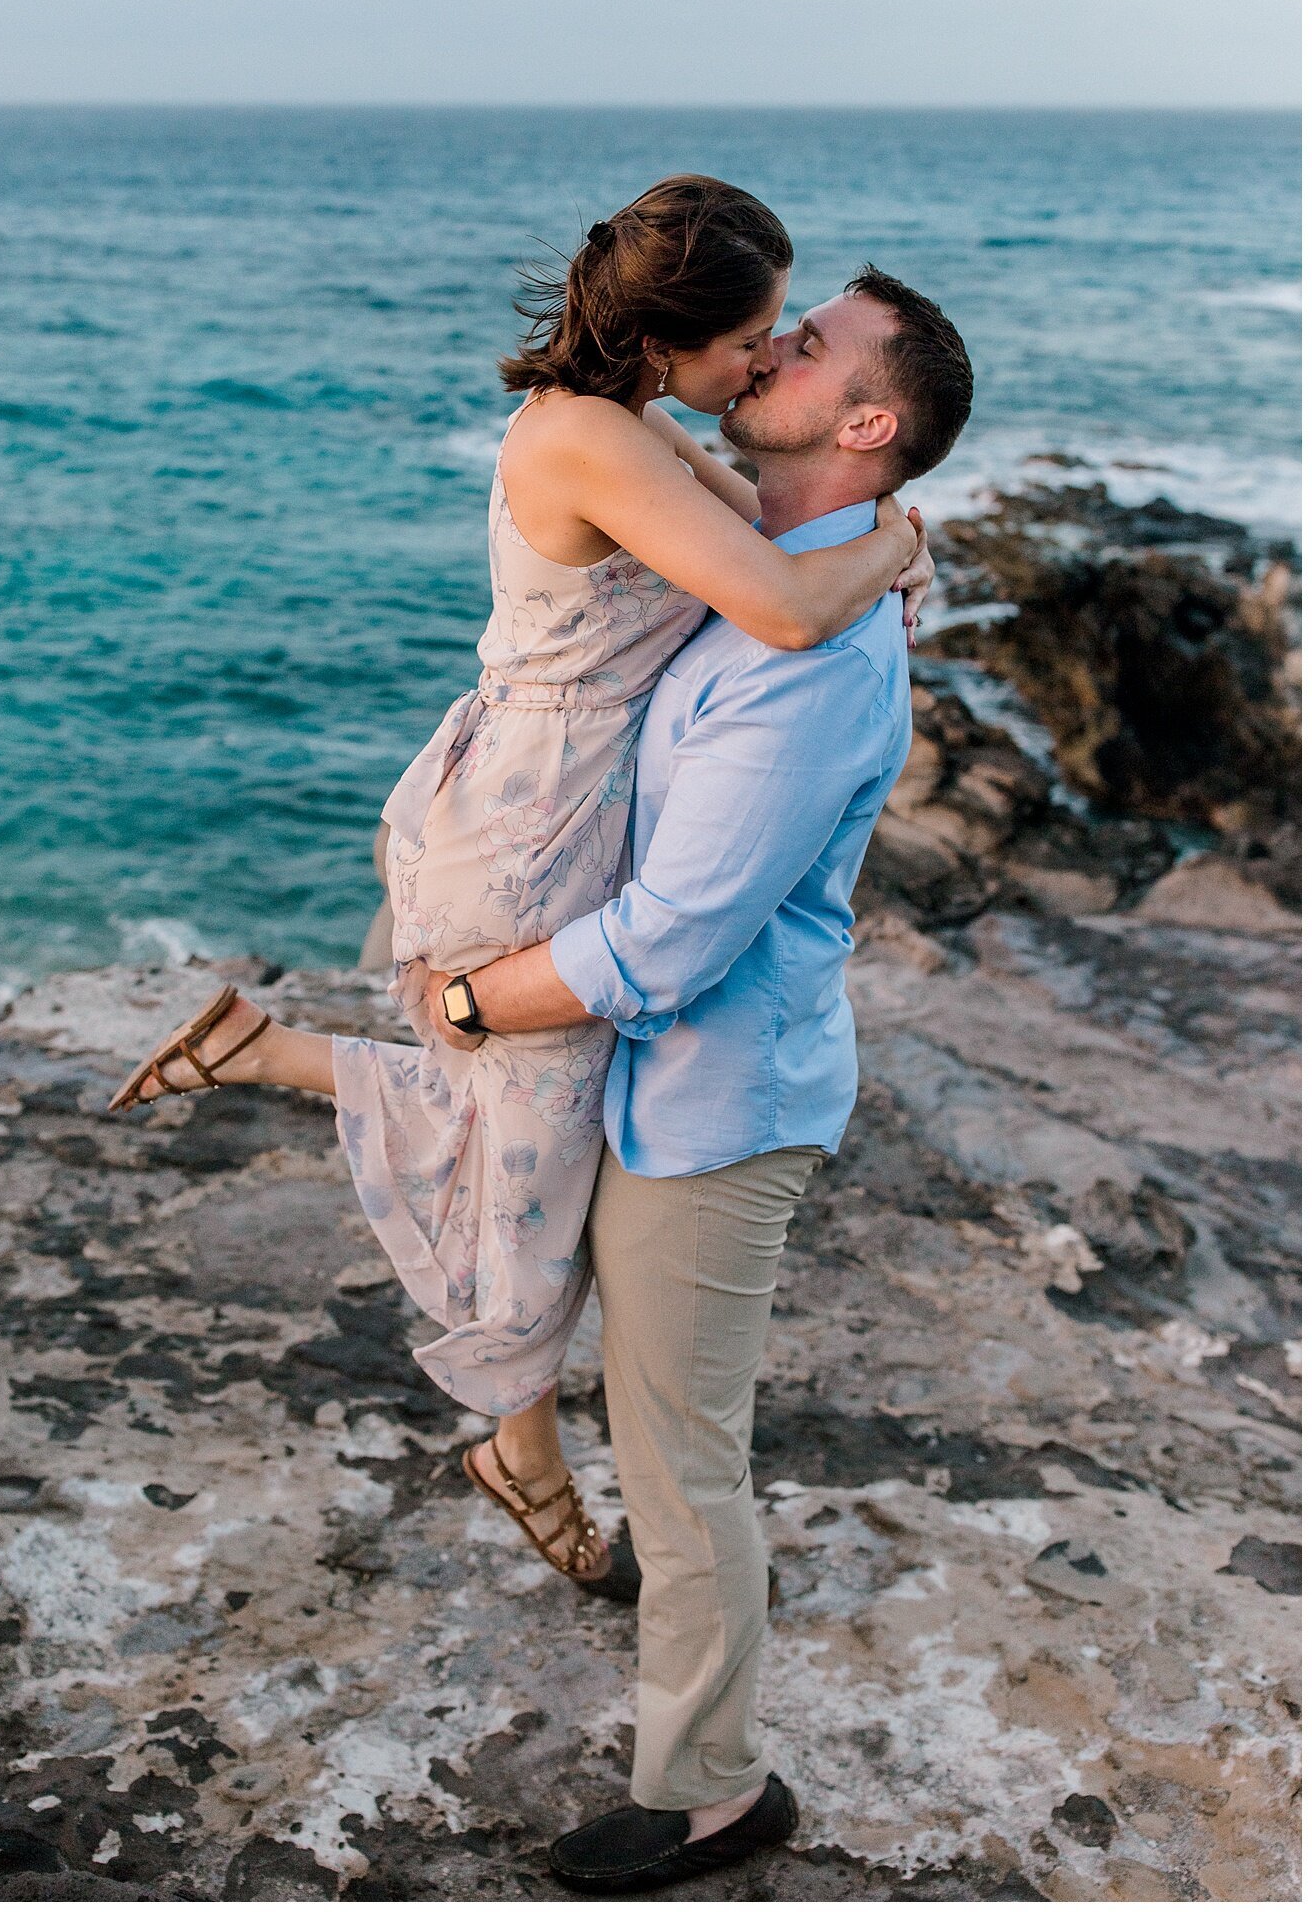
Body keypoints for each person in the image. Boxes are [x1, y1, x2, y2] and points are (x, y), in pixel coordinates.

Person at [109, 178, 933, 1599]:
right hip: (528, 827)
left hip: (551, 810)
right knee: (535, 1162)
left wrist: (867, 550)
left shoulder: (640, 430)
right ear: (672, 338)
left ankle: (267, 1054)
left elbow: (783, 553)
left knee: (524, 1127)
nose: (761, 363)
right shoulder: (591, 444)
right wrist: (904, 547)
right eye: (751, 338)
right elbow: (792, 604)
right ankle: (521, 1450)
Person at [419, 265, 974, 1891]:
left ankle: (716, 1789)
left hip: (717, 1103)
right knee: (658, 1432)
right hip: (666, 1083)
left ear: (865, 423)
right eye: (776, 328)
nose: (773, 349)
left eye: (809, 348)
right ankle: (634, 1592)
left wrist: (470, 1000)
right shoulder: (767, 563)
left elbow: (674, 937)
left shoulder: (813, 643)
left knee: (683, 1456)